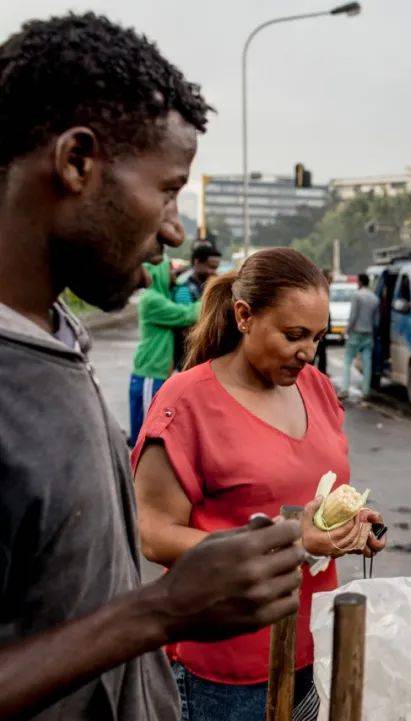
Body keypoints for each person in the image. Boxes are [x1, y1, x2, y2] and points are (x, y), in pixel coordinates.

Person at [0, 13, 306, 720]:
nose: (173, 227)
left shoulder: (54, 334)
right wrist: (160, 611)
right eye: (167, 190)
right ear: (77, 161)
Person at [132, 248, 387, 721]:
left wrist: (346, 525)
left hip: (312, 644)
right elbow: (153, 534)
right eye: (293, 336)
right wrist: (289, 540)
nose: (307, 352)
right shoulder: (186, 400)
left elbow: (307, 496)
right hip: (223, 662)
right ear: (244, 316)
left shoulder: (316, 386)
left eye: (316, 337)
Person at [130, 257, 200, 441]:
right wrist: (211, 297)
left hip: (157, 374)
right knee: (144, 436)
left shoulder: (161, 296)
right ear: (158, 272)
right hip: (149, 375)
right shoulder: (152, 300)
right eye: (168, 270)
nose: (172, 274)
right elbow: (186, 315)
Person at [173, 242, 221, 371]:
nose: (214, 272)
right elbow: (186, 325)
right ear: (197, 262)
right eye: (211, 267)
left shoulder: (209, 286)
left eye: (216, 268)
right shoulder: (184, 289)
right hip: (189, 358)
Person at [340, 273, 378, 399]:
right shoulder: (374, 298)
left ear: (360, 282)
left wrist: (345, 331)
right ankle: (366, 391)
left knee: (347, 361)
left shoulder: (357, 295)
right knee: (367, 363)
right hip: (368, 334)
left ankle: (345, 389)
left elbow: (353, 316)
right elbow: (376, 320)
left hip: (355, 333)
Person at [312, 268, 333, 375]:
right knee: (315, 352)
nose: (331, 281)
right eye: (330, 278)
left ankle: (322, 373)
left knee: (322, 352)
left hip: (323, 326)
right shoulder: (319, 290)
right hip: (317, 325)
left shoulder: (325, 290)